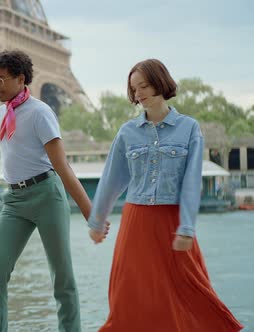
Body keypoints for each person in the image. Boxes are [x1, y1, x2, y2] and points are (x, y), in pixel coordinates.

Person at [88, 58, 243, 331]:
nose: (139, 94)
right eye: (134, 89)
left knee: (191, 292)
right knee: (129, 294)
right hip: (137, 224)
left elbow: (192, 183)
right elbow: (111, 180)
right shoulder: (127, 133)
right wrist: (97, 222)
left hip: (174, 222)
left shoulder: (189, 128)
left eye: (144, 86)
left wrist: (186, 228)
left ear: (161, 83)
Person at [0, 50, 94, 332]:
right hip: (14, 202)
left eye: (1, 80)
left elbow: (62, 165)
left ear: (21, 79)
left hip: (46, 195)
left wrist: (90, 212)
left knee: (62, 277)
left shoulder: (41, 112)